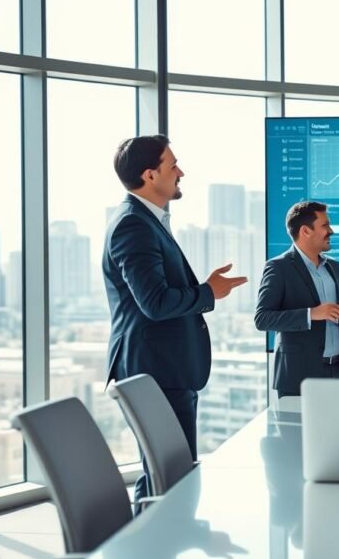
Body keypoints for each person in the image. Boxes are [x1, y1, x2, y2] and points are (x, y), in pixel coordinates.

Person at [103, 135, 247, 504]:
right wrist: (208, 292)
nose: (180, 172)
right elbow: (154, 302)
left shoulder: (145, 221)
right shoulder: (132, 225)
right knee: (168, 479)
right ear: (151, 175)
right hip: (156, 372)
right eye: (172, 165)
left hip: (165, 369)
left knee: (165, 476)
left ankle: (147, 546)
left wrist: (206, 290)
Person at [255, 201, 339, 397]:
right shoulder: (278, 267)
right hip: (298, 377)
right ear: (305, 231)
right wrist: (311, 314)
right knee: (299, 429)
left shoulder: (335, 267)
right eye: (325, 225)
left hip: (338, 372)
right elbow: (262, 319)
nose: (331, 231)